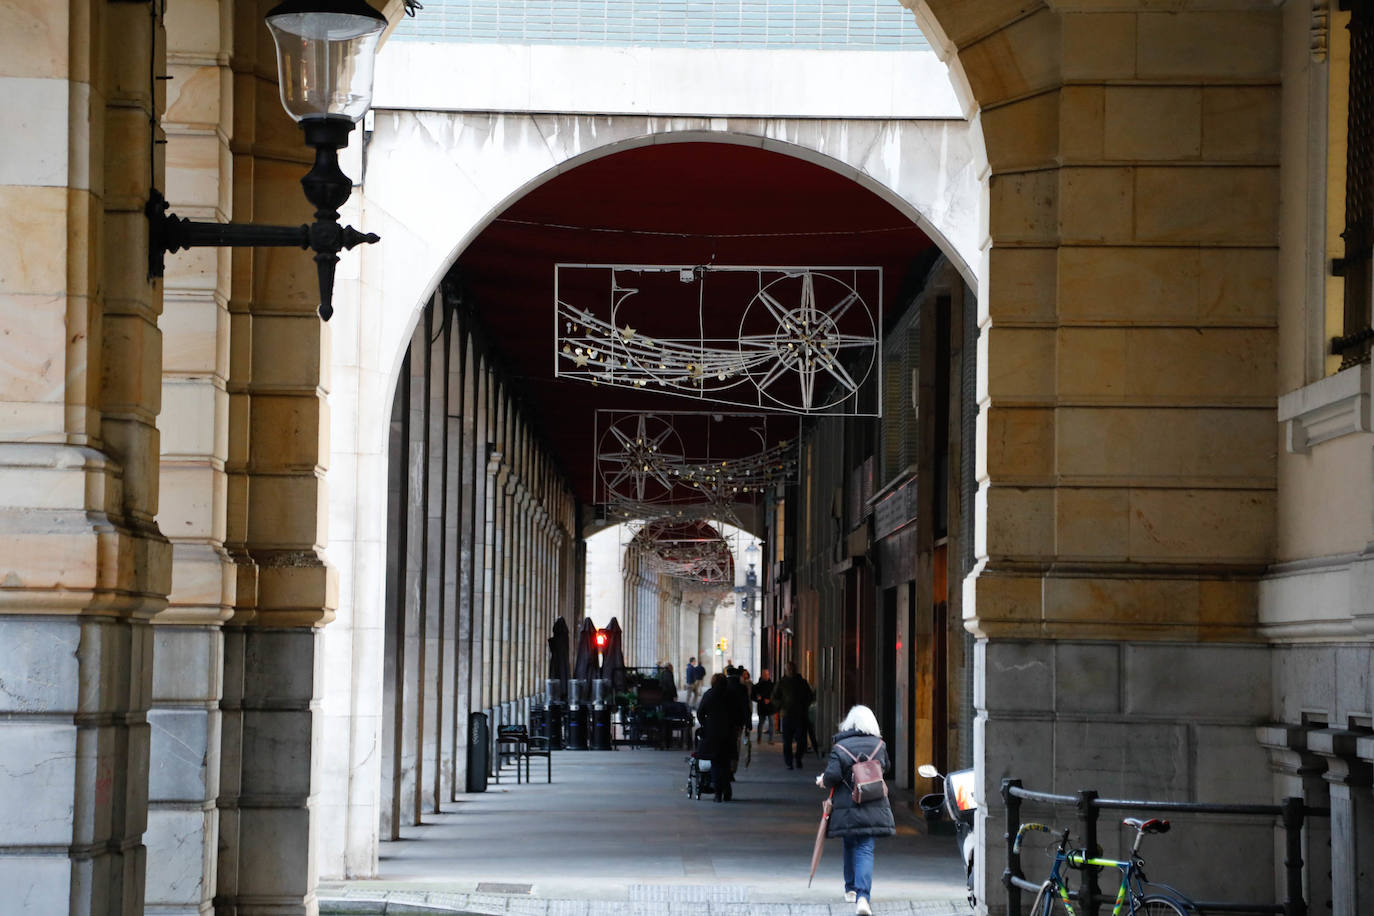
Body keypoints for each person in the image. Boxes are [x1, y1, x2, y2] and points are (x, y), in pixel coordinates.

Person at [814, 704, 894, 916]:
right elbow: (885, 767)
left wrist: (823, 780)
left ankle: (850, 889)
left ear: (849, 723)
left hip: (847, 805)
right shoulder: (879, 745)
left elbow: (832, 776)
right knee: (865, 848)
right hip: (873, 803)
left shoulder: (840, 747)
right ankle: (863, 897)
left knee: (849, 844)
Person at [695, 673, 735, 801]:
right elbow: (738, 712)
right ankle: (727, 791)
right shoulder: (730, 695)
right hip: (728, 733)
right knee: (726, 763)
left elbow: (700, 712)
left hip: (712, 733)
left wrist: (705, 724)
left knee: (716, 763)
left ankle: (718, 793)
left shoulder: (709, 694)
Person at [772, 660, 813, 769]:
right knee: (787, 741)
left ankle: (798, 758)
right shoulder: (781, 683)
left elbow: (810, 696)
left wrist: (804, 706)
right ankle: (789, 762)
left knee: (801, 740)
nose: (790, 670)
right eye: (788, 668)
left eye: (792, 668)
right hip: (787, 715)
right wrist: (780, 706)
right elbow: (775, 697)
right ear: (785, 670)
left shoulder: (802, 682)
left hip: (800, 715)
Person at [724, 666, 751, 775]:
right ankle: (732, 769)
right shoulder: (742, 688)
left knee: (724, 743)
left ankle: (725, 767)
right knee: (736, 744)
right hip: (737, 723)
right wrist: (748, 723)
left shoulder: (723, 687)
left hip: (724, 722)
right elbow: (746, 707)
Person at [751, 668, 775, 742]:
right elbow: (753, 696)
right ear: (762, 675)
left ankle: (771, 739)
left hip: (770, 707)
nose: (766, 676)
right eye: (764, 674)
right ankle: (759, 738)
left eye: (767, 674)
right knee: (761, 723)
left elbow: (775, 695)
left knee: (771, 723)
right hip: (762, 707)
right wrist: (758, 698)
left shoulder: (772, 685)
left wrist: (770, 700)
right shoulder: (757, 686)